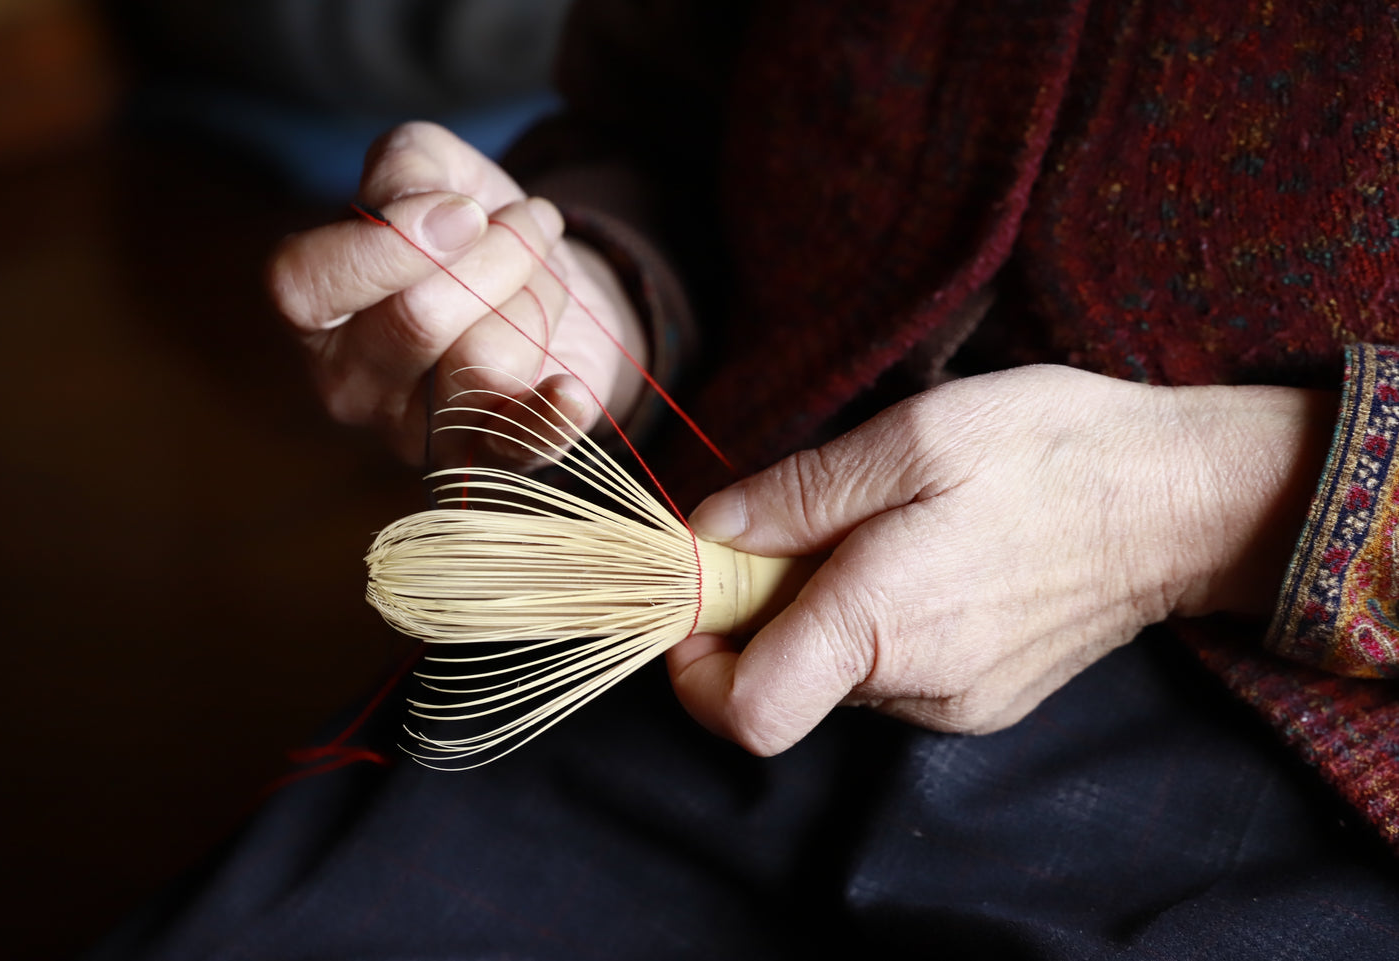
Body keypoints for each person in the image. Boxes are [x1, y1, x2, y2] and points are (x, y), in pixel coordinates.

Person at [96, 1, 1399, 957]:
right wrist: (593, 299)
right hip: (693, 647)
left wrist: (1209, 509)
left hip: (1323, 791)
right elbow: (661, 119)